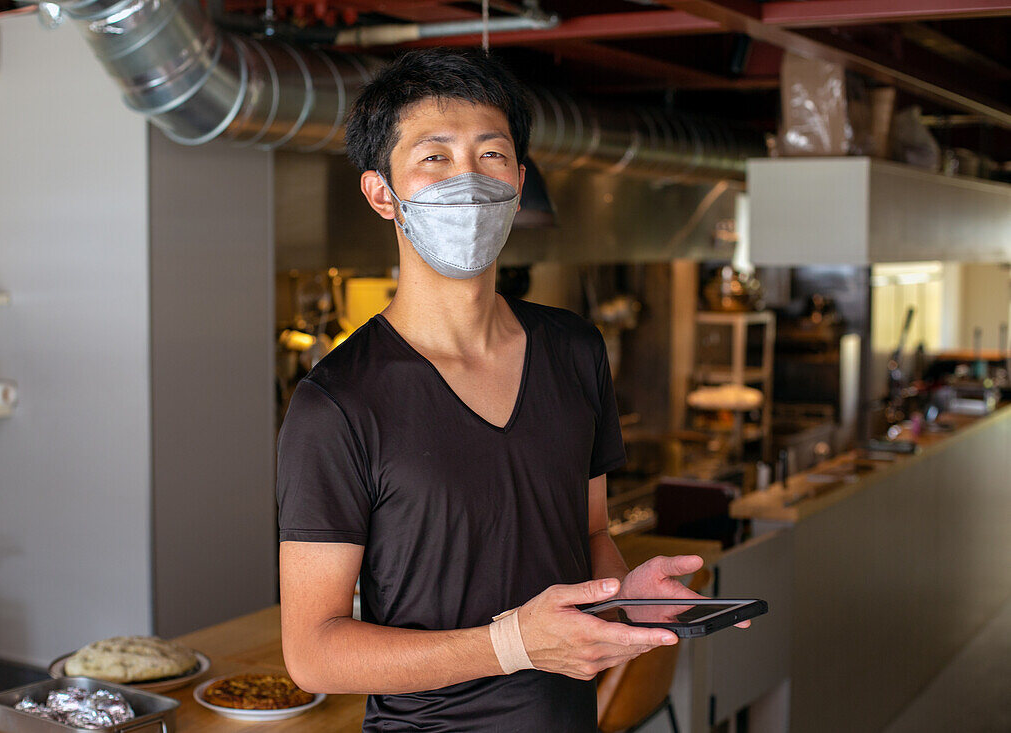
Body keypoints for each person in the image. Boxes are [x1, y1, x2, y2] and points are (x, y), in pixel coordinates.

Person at [276, 49, 708, 732]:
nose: (469, 180)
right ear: (382, 193)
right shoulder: (338, 401)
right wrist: (511, 644)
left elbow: (587, 531)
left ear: (519, 180)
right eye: (434, 157)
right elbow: (313, 652)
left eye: (492, 155)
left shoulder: (574, 350)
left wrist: (622, 595)